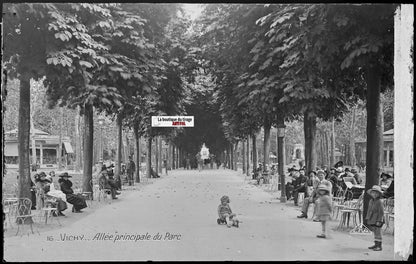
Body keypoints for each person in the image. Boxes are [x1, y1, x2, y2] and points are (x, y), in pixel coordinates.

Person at [365, 185, 385, 251]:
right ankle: (376, 244)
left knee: (378, 232)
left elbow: (381, 212)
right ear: (371, 193)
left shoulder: (379, 202)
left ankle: (379, 246)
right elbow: (369, 210)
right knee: (375, 232)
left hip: (378, 219)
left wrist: (379, 220)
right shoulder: (371, 201)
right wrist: (368, 218)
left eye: (376, 193)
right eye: (373, 193)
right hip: (372, 218)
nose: (374, 194)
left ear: (379, 194)